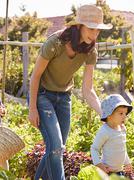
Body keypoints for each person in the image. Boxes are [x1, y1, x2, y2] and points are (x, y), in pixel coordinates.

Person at [28, 4, 112, 180]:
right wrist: (32, 109)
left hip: (64, 97)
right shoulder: (55, 43)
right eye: (91, 28)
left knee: (57, 147)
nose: (95, 34)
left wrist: (105, 115)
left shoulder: (90, 51)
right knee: (56, 146)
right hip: (42, 95)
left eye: (98, 31)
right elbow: (35, 76)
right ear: (79, 26)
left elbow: (88, 90)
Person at [91, 94, 134, 177]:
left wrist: (127, 162)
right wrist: (99, 164)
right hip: (107, 172)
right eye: (121, 113)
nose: (124, 116)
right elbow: (94, 148)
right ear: (109, 115)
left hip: (119, 172)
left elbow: (122, 149)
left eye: (125, 113)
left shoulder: (122, 129)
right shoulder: (105, 131)